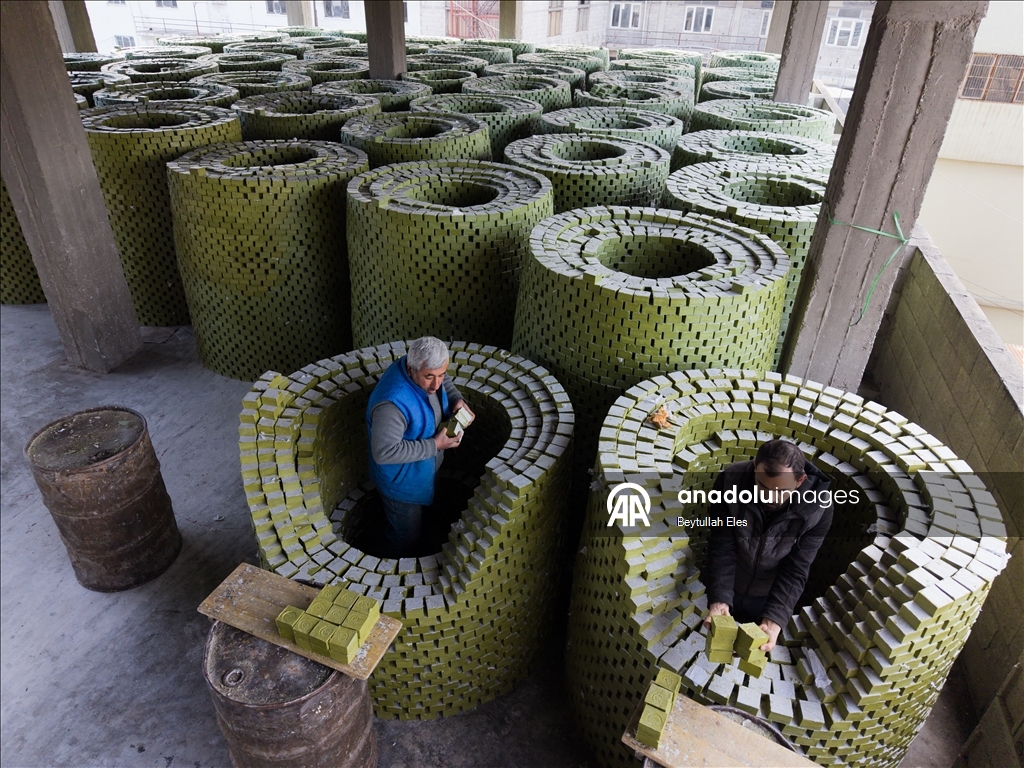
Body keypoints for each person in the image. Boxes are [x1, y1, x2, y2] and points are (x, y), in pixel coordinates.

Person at [702, 439, 833, 653]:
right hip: (729, 581)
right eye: (762, 486)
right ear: (755, 468)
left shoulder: (819, 509)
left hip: (767, 595)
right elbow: (722, 545)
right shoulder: (730, 481)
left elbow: (797, 568)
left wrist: (775, 617)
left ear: (800, 480)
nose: (770, 497)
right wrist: (719, 598)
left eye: (781, 491)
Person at [366, 337, 475, 558]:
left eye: (441, 375)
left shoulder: (424, 368)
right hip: (402, 485)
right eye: (429, 377)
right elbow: (384, 452)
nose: (436, 385)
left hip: (424, 471)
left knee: (431, 521)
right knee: (404, 539)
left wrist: (456, 399)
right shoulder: (391, 404)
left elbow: (444, 382)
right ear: (411, 368)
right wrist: (435, 445)